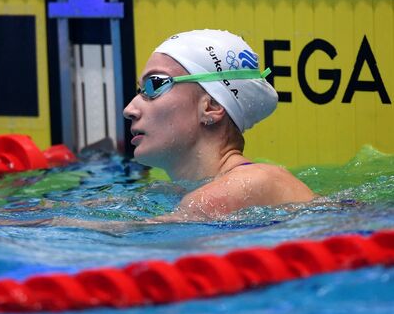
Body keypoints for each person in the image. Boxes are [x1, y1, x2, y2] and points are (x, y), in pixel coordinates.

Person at [122, 29, 315, 221]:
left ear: (211, 107)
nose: (129, 109)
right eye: (140, 90)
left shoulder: (251, 183)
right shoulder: (175, 193)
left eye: (154, 85)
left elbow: (125, 236)